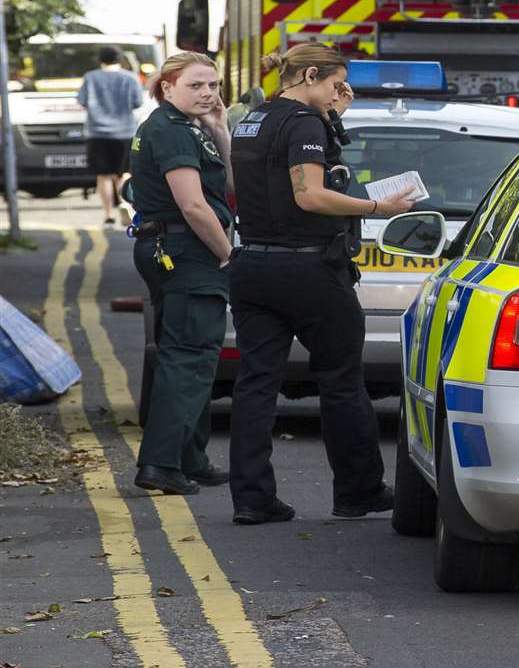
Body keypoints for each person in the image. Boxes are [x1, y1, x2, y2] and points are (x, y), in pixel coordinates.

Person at [226, 45, 414, 525]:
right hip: (309, 270)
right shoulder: (303, 124)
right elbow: (309, 194)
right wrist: (378, 209)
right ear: (310, 74)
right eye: (335, 85)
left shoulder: (253, 118)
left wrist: (334, 115)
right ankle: (359, 490)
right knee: (342, 381)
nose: (339, 93)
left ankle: (251, 498)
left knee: (256, 383)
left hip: (253, 265)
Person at [127, 51, 233, 495]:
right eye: (196, 85)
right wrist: (229, 256)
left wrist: (221, 129)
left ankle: (190, 457)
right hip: (184, 251)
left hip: (176, 249)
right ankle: (159, 465)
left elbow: (228, 185)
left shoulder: (189, 128)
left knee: (197, 357)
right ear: (166, 87)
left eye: (212, 85)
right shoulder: (171, 132)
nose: (207, 93)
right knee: (187, 358)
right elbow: (194, 205)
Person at [76, 46, 145, 226]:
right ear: (120, 59)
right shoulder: (130, 78)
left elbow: (82, 101)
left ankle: (108, 214)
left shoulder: (91, 77)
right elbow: (137, 102)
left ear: (100, 59)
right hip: (125, 131)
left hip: (98, 132)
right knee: (124, 173)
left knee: (104, 175)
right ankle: (124, 203)